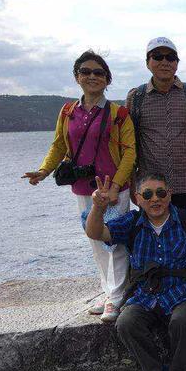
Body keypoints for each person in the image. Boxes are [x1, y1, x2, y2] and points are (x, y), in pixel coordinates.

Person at [85, 173, 186, 371]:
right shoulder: (132, 222)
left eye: (161, 192)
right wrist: (98, 207)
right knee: (126, 323)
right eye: (147, 194)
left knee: (182, 321)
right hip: (145, 292)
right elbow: (96, 232)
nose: (155, 199)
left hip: (182, 290)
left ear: (170, 194)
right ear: (138, 198)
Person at [24, 50, 135, 323]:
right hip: (84, 188)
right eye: (86, 71)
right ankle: (108, 291)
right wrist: (43, 170)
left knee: (115, 240)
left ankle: (117, 295)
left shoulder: (118, 114)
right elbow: (59, 145)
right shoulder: (68, 112)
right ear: (77, 77)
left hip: (112, 189)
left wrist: (116, 185)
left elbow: (130, 152)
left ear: (107, 79)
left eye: (98, 72)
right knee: (95, 239)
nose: (92, 76)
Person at [126, 37, 186, 227]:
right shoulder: (136, 98)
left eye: (171, 57)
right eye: (158, 56)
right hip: (152, 190)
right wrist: (133, 184)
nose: (165, 62)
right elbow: (130, 144)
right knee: (155, 238)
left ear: (177, 63)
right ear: (148, 62)